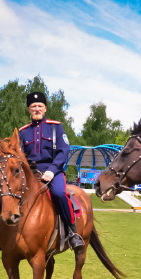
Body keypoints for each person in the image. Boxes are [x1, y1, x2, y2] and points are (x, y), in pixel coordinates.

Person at [18, 91, 84, 251]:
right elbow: (19, 155)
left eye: (40, 106)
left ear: (45, 108)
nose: (37, 109)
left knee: (59, 194)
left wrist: (52, 170)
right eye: (33, 106)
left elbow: (64, 150)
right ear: (29, 110)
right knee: (7, 195)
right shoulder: (23, 131)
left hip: (52, 172)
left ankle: (72, 232)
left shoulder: (56, 127)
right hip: (30, 174)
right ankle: (6, 236)